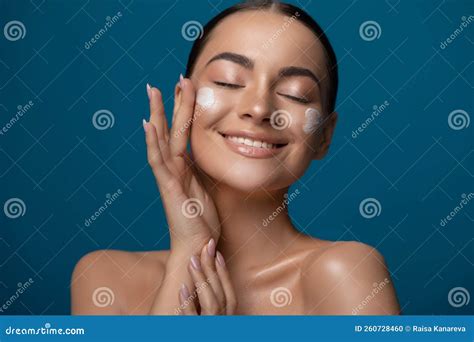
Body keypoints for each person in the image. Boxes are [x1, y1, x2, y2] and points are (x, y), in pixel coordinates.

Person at [71, 0, 400, 315]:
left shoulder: (343, 274)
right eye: (228, 81)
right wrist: (189, 249)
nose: (259, 109)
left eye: (294, 94)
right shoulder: (107, 279)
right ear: (182, 102)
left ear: (324, 136)